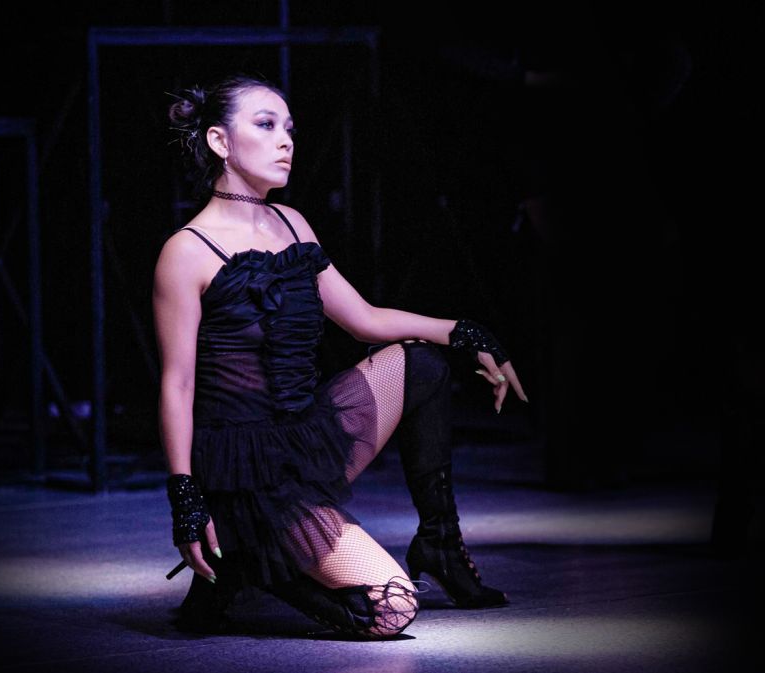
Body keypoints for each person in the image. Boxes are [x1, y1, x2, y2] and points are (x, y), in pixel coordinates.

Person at [153, 73, 528, 640]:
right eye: (266, 125)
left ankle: (440, 545)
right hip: (243, 468)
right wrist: (184, 497)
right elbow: (177, 385)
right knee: (391, 608)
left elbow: (364, 319)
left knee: (422, 363)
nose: (286, 140)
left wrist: (464, 331)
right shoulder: (185, 251)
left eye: (289, 128)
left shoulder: (292, 222)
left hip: (303, 437)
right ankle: (245, 562)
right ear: (219, 141)